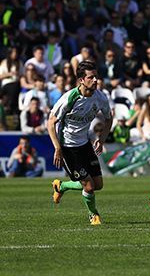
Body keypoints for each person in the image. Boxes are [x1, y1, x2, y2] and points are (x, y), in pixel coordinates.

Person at [48, 61, 112, 225]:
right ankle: (93, 215)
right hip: (68, 148)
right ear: (81, 80)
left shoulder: (100, 97)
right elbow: (50, 122)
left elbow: (109, 119)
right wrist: (57, 148)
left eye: (96, 76)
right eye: (91, 77)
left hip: (85, 144)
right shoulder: (70, 98)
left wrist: (101, 139)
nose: (96, 80)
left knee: (98, 184)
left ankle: (61, 187)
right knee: (89, 186)